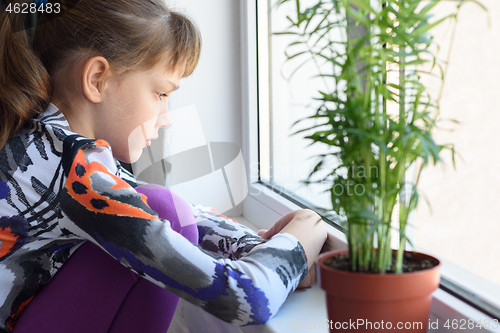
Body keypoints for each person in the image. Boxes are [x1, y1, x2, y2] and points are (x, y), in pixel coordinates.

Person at [0, 0, 327, 332]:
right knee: (165, 209)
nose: (166, 118)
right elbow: (248, 300)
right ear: (97, 78)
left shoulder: (41, 143)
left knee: (160, 207)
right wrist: (305, 232)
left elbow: (137, 203)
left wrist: (254, 245)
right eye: (160, 94)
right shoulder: (71, 168)